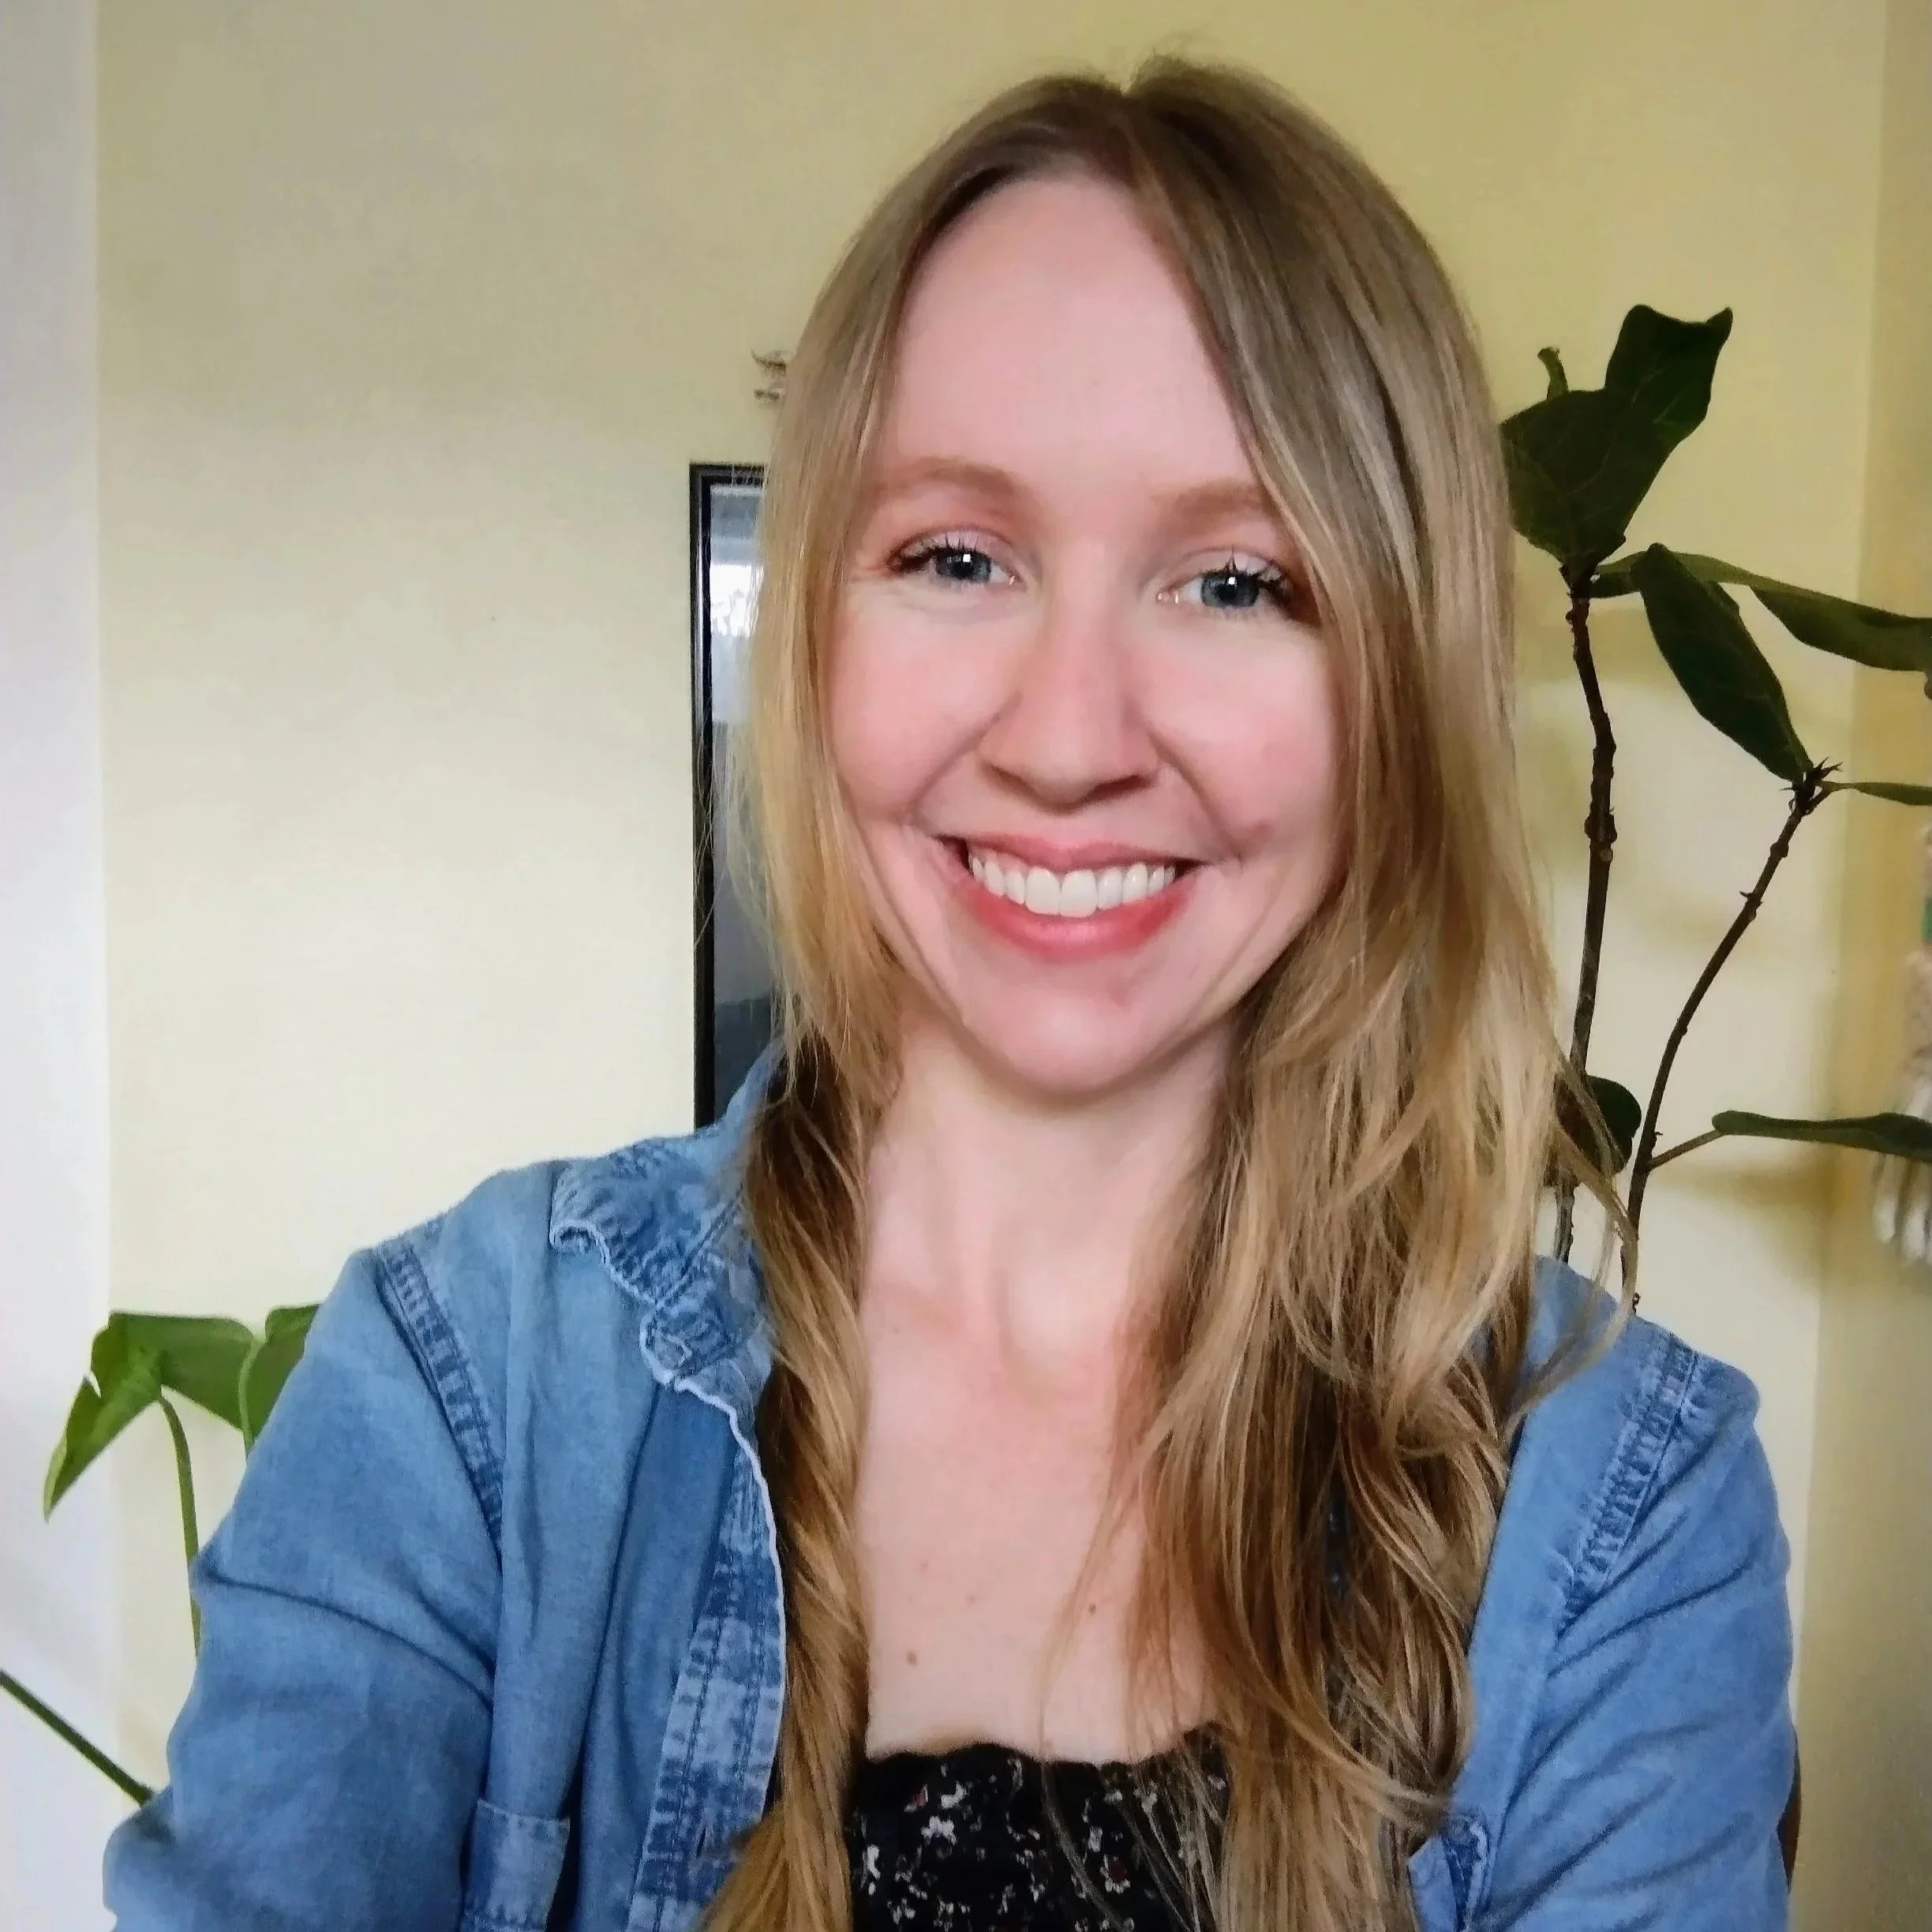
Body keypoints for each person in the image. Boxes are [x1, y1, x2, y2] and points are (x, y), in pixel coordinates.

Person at [104, 58, 1795, 1932]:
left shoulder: (1622, 1506)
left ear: (1397, 684)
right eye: (957, 557)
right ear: (821, 629)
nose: (1071, 742)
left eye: (1237, 581)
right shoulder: (467, 1391)